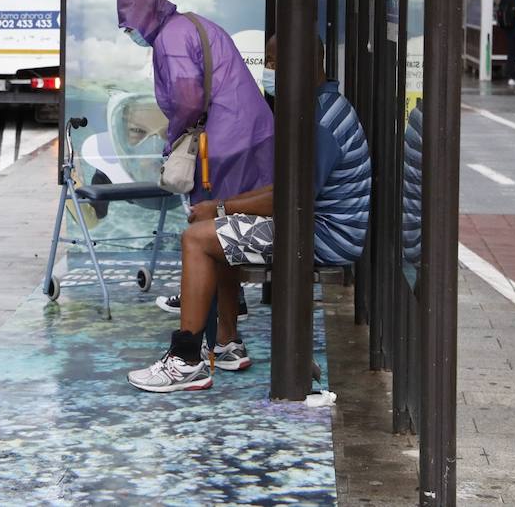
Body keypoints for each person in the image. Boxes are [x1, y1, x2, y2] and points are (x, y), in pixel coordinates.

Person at [128, 34, 370, 393]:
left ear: (305, 61)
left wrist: (223, 206)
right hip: (313, 223)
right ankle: (225, 343)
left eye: (275, 61)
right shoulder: (322, 105)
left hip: (324, 234)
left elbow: (292, 198)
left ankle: (186, 361)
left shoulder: (320, 121)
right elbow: (289, 190)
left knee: (196, 238)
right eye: (267, 61)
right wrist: (224, 211)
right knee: (219, 230)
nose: (269, 70)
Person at [110, 0, 274, 393]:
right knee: (225, 239)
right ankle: (227, 342)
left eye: (128, 26)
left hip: (221, 147)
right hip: (247, 139)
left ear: (142, 17)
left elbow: (186, 99)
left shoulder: (169, 39)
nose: (130, 34)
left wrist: (171, 140)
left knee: (204, 236)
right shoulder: (194, 24)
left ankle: (188, 358)